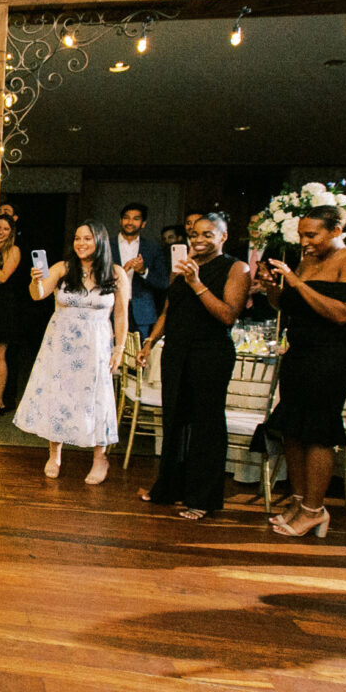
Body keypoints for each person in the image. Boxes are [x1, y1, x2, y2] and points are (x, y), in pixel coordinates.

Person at [253, 206, 346, 538]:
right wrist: (273, 288)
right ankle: (298, 500)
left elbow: (341, 314)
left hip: (335, 355)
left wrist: (295, 281)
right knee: (292, 427)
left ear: (336, 231)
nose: (304, 242)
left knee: (318, 430)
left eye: (312, 235)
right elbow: (286, 306)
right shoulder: (307, 261)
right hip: (301, 353)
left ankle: (314, 510)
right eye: (301, 234)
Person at [138, 212, 251, 519]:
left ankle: (202, 498)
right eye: (195, 235)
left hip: (210, 353)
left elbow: (228, 315)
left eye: (208, 235)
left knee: (206, 424)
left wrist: (197, 283)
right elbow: (169, 309)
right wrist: (150, 341)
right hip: (176, 350)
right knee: (175, 419)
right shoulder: (185, 265)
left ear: (223, 237)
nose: (199, 240)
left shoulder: (236, 268)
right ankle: (170, 488)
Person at [16, 222, 130, 483]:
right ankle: (54, 454)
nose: (81, 243)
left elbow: (122, 314)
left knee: (97, 399)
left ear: (99, 241)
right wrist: (35, 281)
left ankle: (100, 458)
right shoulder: (63, 268)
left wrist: (119, 349)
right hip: (61, 343)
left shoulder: (115, 274)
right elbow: (39, 295)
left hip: (96, 344)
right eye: (77, 238)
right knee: (59, 396)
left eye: (87, 239)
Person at [0, 212, 25, 417]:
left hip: (4, 306)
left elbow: (2, 277)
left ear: (11, 232)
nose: (0, 232)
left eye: (5, 229)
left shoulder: (14, 250)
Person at [116, 203, 168, 341]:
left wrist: (143, 271)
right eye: (126, 218)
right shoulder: (106, 245)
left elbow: (163, 283)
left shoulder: (153, 248)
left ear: (143, 223)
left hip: (142, 312)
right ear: (120, 221)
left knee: (139, 357)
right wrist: (120, 272)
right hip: (111, 308)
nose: (130, 222)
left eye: (136, 218)